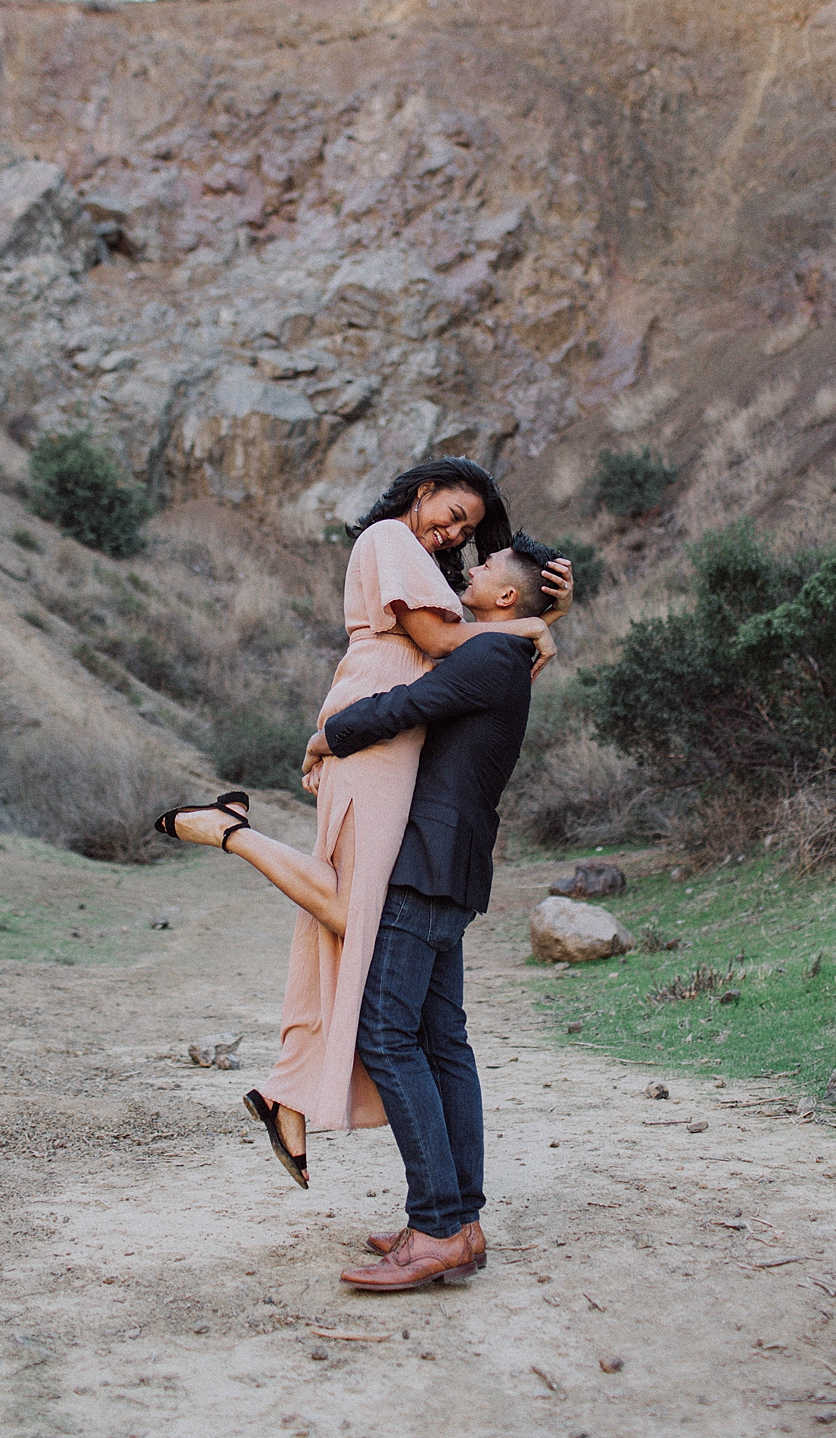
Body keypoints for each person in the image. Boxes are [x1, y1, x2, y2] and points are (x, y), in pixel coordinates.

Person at [164, 460, 572, 1188]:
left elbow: (488, 677)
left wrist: (530, 620)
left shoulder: (433, 573)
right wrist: (534, 621)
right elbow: (455, 646)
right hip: (375, 724)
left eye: (470, 531)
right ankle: (230, 831)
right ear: (422, 492)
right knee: (360, 914)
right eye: (450, 514)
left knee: (361, 921)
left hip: (390, 733)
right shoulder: (389, 537)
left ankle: (289, 1089)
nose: (455, 533)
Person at [304, 532, 563, 1290]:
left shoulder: (486, 656)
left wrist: (328, 734)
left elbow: (407, 706)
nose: (467, 571)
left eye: (481, 569)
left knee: (387, 1034)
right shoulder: (504, 653)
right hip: (451, 859)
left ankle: (437, 1229)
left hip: (425, 860)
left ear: (506, 598)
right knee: (441, 1038)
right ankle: (462, 1218)